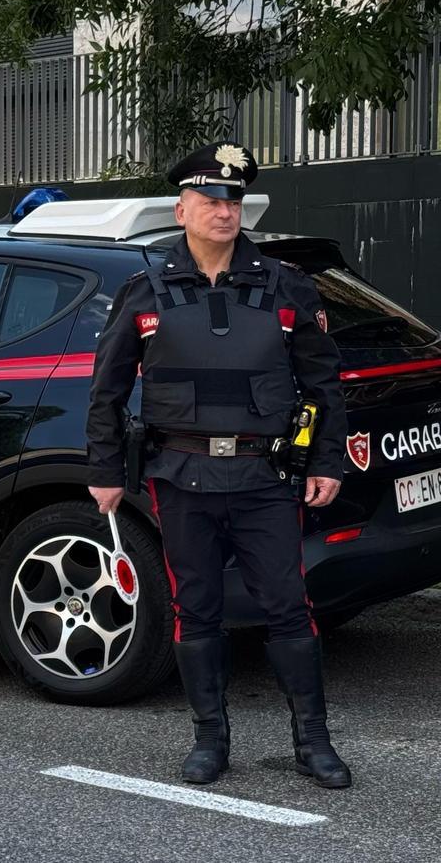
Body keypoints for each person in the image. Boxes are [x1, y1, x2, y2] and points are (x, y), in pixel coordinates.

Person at [86, 142, 352, 789]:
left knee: (289, 607)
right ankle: (210, 740)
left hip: (265, 479)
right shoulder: (144, 291)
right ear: (181, 210)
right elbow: (107, 390)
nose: (223, 211)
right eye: (209, 200)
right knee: (195, 610)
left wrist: (329, 462)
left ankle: (312, 742)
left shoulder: (286, 286)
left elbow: (324, 386)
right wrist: (104, 472)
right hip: (181, 478)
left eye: (232, 200)